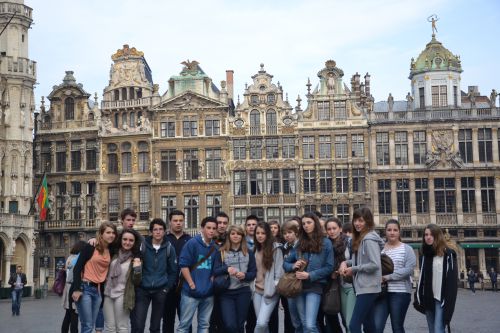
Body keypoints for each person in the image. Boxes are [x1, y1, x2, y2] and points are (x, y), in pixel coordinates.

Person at [284, 213, 334, 333]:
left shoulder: (326, 242)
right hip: (299, 287)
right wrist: (292, 265)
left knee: (310, 325)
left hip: (315, 286)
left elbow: (329, 267)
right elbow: (285, 263)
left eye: (309, 223)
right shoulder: (300, 243)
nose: (306, 225)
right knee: (304, 323)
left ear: (315, 223)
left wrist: (310, 275)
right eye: (304, 223)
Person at [339, 208, 384, 333]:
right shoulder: (360, 238)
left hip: (368, 287)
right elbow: (359, 261)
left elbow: (375, 264)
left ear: (368, 222)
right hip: (362, 287)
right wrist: (345, 263)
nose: (357, 224)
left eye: (361, 221)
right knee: (369, 325)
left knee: (354, 325)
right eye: (355, 220)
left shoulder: (369, 240)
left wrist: (353, 269)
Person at [71, 222, 118, 333]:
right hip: (85, 288)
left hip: (98, 291)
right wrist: (77, 289)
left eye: (113, 233)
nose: (111, 235)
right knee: (87, 325)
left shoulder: (111, 250)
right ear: (101, 234)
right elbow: (77, 268)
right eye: (108, 232)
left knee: (91, 324)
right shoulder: (90, 247)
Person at [132, 219, 176, 333]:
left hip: (160, 290)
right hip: (143, 290)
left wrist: (166, 289)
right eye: (155, 229)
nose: (158, 232)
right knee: (139, 325)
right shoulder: (143, 246)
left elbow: (173, 271)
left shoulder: (169, 248)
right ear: (151, 232)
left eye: (160, 229)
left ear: (164, 231)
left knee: (155, 327)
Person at [373, 219, 416, 333]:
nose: (392, 232)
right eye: (389, 230)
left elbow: (408, 269)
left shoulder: (407, 249)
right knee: (377, 327)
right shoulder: (379, 249)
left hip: (400, 293)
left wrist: (388, 277)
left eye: (395, 230)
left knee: (397, 327)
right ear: (385, 232)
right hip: (381, 292)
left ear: (399, 232)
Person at [177, 216, 218, 333]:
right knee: (184, 326)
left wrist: (211, 283)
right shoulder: (192, 243)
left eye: (213, 228)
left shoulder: (215, 247)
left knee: (204, 326)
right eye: (208, 228)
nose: (211, 230)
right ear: (202, 228)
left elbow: (216, 268)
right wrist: (191, 284)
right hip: (191, 293)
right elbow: (183, 265)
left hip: (208, 294)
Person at [415, 224, 458, 333]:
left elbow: (452, 282)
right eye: (426, 235)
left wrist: (448, 301)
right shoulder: (426, 255)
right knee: (432, 330)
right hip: (428, 298)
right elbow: (422, 277)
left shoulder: (448, 254)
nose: (428, 237)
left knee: (438, 329)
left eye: (431, 235)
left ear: (437, 236)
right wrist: (419, 295)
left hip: (441, 299)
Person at [213, 225, 257, 333]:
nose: (235, 236)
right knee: (229, 324)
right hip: (226, 292)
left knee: (240, 324)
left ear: (242, 236)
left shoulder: (249, 253)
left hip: (243, 291)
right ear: (229, 236)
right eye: (233, 234)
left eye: (238, 234)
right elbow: (215, 270)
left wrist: (245, 275)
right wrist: (227, 269)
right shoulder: (221, 252)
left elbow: (253, 273)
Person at [103, 229, 142, 333]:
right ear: (120, 240)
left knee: (122, 327)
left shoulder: (136, 258)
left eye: (131, 240)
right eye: (125, 239)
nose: (127, 242)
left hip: (123, 295)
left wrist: (137, 268)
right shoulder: (114, 254)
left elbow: (137, 282)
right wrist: (93, 239)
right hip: (108, 293)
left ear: (134, 243)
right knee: (110, 328)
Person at [163, 210, 192, 333]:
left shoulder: (190, 239)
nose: (178, 223)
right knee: (167, 320)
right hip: (168, 285)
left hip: (184, 286)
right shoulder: (164, 239)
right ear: (170, 222)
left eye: (181, 220)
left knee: (186, 321)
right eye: (175, 221)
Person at [253, 222, 284, 333]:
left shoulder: (276, 249)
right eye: (257, 233)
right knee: (263, 324)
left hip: (270, 292)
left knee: (261, 323)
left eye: (263, 233)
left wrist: (274, 289)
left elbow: (279, 273)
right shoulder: (255, 249)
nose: (260, 235)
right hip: (257, 291)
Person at [324, 218, 348, 333]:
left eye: (334, 228)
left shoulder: (348, 242)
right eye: (329, 229)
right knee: (331, 317)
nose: (332, 231)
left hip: (346, 284)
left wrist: (345, 264)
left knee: (347, 319)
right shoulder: (325, 244)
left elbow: (355, 260)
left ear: (340, 229)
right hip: (331, 284)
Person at [210, 211, 231, 333]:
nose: (222, 225)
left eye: (225, 223)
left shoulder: (232, 240)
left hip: (225, 285)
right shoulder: (208, 241)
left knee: (225, 320)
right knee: (210, 320)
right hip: (210, 285)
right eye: (219, 222)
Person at [282, 220, 302, 333]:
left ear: (296, 233)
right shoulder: (287, 247)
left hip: (302, 284)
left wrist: (289, 265)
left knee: (304, 320)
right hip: (291, 285)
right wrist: (291, 265)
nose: (287, 235)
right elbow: (284, 264)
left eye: (289, 232)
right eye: (284, 233)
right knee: (295, 319)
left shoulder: (301, 245)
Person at [62, 240, 87, 333]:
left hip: (67, 286)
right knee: (74, 314)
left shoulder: (69, 258)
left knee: (68, 313)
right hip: (73, 286)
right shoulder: (78, 259)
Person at [268, 220, 283, 333]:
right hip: (266, 281)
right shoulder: (264, 242)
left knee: (275, 313)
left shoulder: (282, 243)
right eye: (270, 227)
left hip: (280, 281)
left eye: (275, 227)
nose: (273, 229)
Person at [340, 222, 355, 333]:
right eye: (346, 232)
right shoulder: (338, 244)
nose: (348, 234)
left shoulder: (353, 244)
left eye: (350, 232)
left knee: (350, 322)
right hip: (340, 285)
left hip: (352, 285)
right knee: (345, 321)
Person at [244, 214, 259, 333]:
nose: (251, 227)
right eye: (249, 225)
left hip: (260, 283)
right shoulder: (241, 242)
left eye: (254, 224)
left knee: (257, 318)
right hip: (246, 282)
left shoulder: (263, 242)